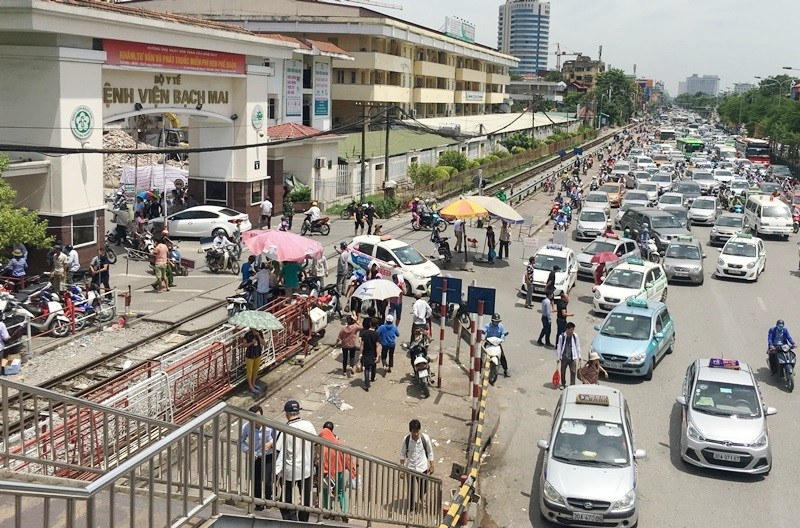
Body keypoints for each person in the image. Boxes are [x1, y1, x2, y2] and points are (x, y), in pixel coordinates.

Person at [275, 401, 317, 522]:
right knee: (305, 496)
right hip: (306, 467)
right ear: (299, 412)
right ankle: (304, 521)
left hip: (290, 469)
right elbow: (316, 442)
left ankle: (290, 519)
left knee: (286, 496)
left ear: (286, 414)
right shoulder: (308, 425)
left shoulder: (286, 429)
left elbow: (278, 449)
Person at [241, 405, 274, 511]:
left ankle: (268, 498)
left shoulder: (269, 425)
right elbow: (241, 441)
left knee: (267, 479)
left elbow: (277, 436)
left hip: (269, 455)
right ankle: (258, 503)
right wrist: (247, 449)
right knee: (256, 480)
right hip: (256, 455)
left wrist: (270, 443)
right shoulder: (246, 427)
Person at [319, 422, 356, 517]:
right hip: (340, 472)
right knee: (341, 491)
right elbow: (347, 458)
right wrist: (352, 469)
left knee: (325, 492)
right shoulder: (339, 443)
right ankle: (344, 512)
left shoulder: (322, 445)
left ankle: (328, 511)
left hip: (326, 474)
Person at [400, 419, 434, 512]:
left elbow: (430, 451)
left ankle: (421, 497)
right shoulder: (406, 439)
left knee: (424, 487)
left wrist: (431, 465)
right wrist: (402, 468)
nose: (416, 434)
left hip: (422, 468)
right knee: (411, 489)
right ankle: (411, 507)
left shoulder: (425, 438)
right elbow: (402, 453)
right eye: (414, 431)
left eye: (417, 431)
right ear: (410, 431)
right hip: (410, 468)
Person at [556, 322, 582, 389]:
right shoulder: (562, 336)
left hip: (572, 357)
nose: (572, 331)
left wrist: (579, 355)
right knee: (563, 371)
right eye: (571, 329)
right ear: (567, 329)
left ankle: (572, 385)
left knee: (573, 372)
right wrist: (558, 357)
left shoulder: (575, 336)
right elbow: (559, 347)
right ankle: (563, 384)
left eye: (573, 329)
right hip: (564, 357)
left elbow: (577, 345)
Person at [358, 318, 380, 391]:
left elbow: (362, 344)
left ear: (370, 324)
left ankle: (367, 384)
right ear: (376, 325)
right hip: (373, 353)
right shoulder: (377, 334)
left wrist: (360, 353)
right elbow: (377, 346)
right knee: (373, 366)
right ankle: (373, 378)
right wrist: (377, 356)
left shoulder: (364, 333)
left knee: (366, 368)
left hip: (366, 352)